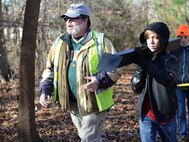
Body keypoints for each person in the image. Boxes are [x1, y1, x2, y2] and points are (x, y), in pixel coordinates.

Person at [39, 3, 122, 142]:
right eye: (66, 19)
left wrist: (99, 80)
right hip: (72, 102)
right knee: (87, 137)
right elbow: (50, 69)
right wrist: (45, 90)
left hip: (94, 102)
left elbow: (116, 67)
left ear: (85, 20)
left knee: (88, 138)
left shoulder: (100, 40)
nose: (68, 22)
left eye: (73, 18)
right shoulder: (60, 42)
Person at [131, 22, 179, 142]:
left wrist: (146, 65)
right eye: (148, 38)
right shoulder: (145, 59)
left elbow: (167, 78)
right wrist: (141, 66)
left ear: (163, 39)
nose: (151, 42)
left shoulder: (170, 59)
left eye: (155, 38)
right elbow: (136, 87)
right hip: (147, 114)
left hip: (165, 115)